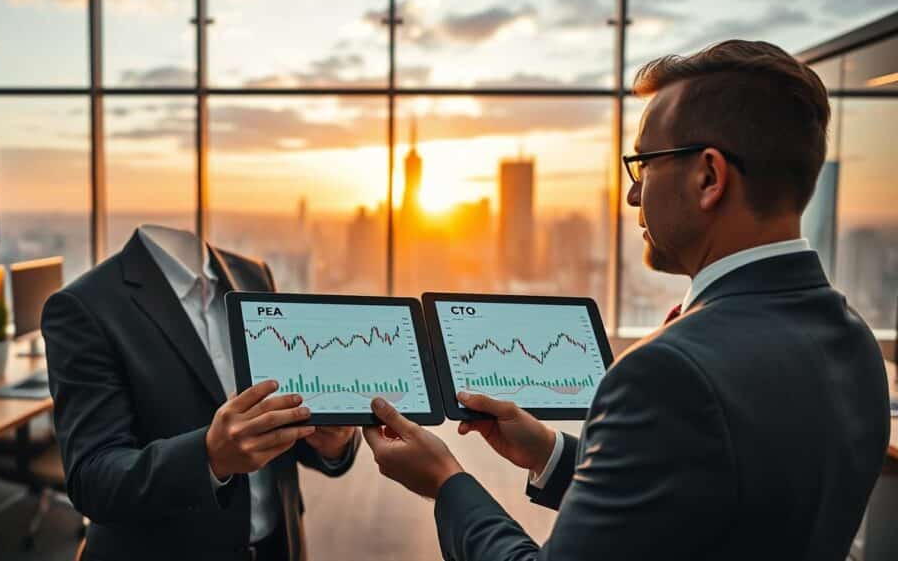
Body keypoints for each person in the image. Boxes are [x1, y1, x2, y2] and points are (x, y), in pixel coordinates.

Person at [363, 40, 890, 560]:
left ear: (709, 177)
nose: (633, 195)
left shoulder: (668, 373)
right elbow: (705, 508)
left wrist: (447, 482)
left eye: (644, 165)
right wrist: (549, 453)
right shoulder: (852, 341)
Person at [43, 225, 360, 561]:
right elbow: (93, 477)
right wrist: (208, 457)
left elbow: (277, 415)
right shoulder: (85, 305)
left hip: (278, 546)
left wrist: (333, 444)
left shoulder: (253, 274)